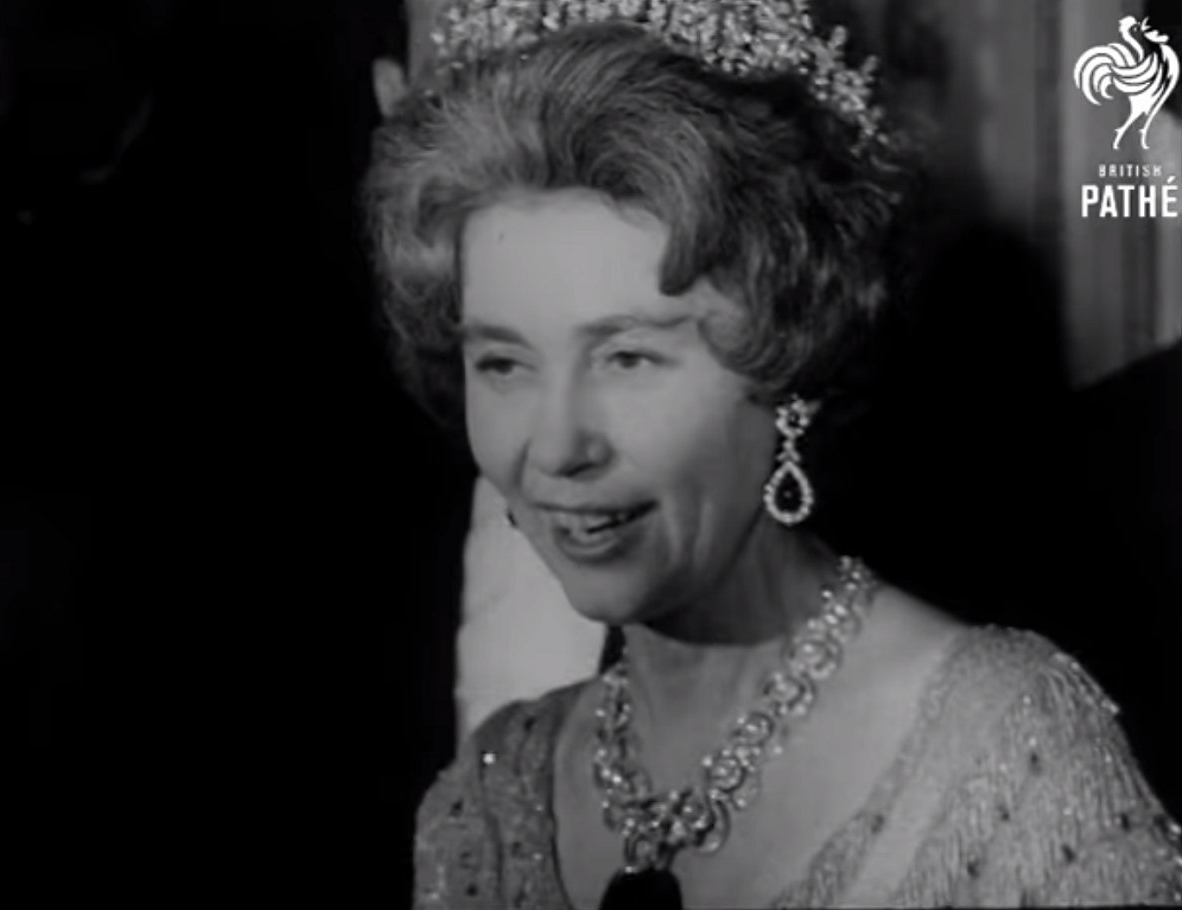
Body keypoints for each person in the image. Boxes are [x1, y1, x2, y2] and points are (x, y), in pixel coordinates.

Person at [364, 0, 1182, 906]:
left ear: (787, 352)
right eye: (504, 362)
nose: (555, 446)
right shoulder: (483, 800)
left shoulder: (1011, 759)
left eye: (628, 357)